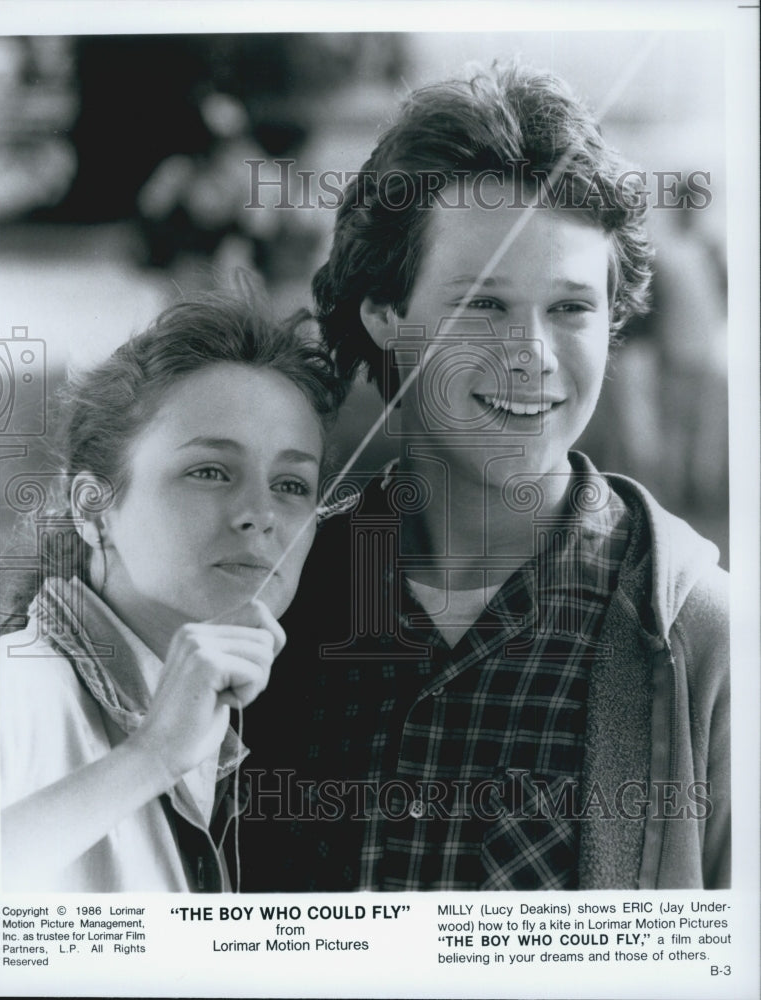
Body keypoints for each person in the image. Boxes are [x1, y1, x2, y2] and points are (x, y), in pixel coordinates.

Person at [239, 62, 730, 890]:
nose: (530, 357)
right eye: (483, 304)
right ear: (385, 318)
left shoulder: (700, 640)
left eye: (570, 307)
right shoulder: (276, 599)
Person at [0, 293, 344, 892]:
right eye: (210, 471)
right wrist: (150, 758)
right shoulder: (7, 689)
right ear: (93, 508)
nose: (260, 515)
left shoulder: (226, 729)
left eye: (292, 483)